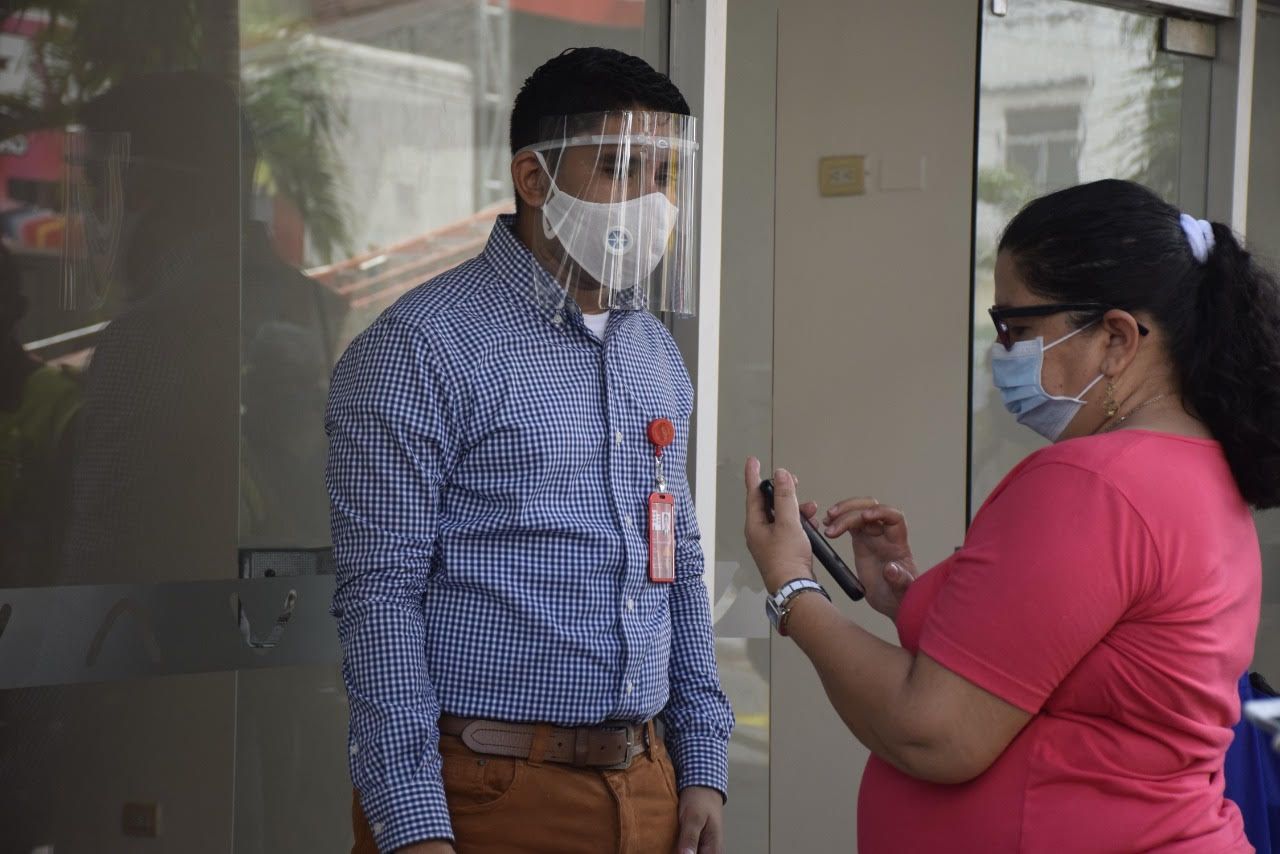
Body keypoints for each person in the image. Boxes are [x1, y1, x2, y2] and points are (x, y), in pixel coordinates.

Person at [744, 179, 1278, 852]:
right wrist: (906, 600)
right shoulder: (1194, 468)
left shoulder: (1096, 483)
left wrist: (793, 586)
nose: (1002, 354)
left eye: (1018, 328)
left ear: (1116, 338)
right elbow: (1075, 660)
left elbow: (933, 731)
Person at [328, 47, 732, 854]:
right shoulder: (419, 349)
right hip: (487, 793)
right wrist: (413, 825)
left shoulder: (652, 350)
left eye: (663, 172)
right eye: (619, 167)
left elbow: (676, 561)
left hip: (649, 783)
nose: (651, 199)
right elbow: (380, 600)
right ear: (534, 178)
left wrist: (702, 765)